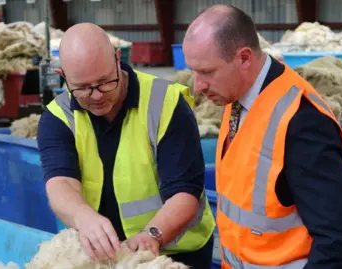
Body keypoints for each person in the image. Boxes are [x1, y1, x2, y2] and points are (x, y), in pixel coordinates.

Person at [183, 4, 342, 269]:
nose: (198, 86)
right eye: (194, 72)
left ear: (244, 58)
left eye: (207, 72)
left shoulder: (301, 121)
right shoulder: (236, 97)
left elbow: (340, 238)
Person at [36, 23, 216, 268]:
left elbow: (185, 192)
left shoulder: (165, 103)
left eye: (104, 81)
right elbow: (61, 183)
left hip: (177, 251)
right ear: (63, 76)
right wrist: (83, 217)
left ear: (118, 59)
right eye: (83, 88)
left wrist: (153, 234)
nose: (97, 95)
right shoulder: (58, 117)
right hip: (102, 256)